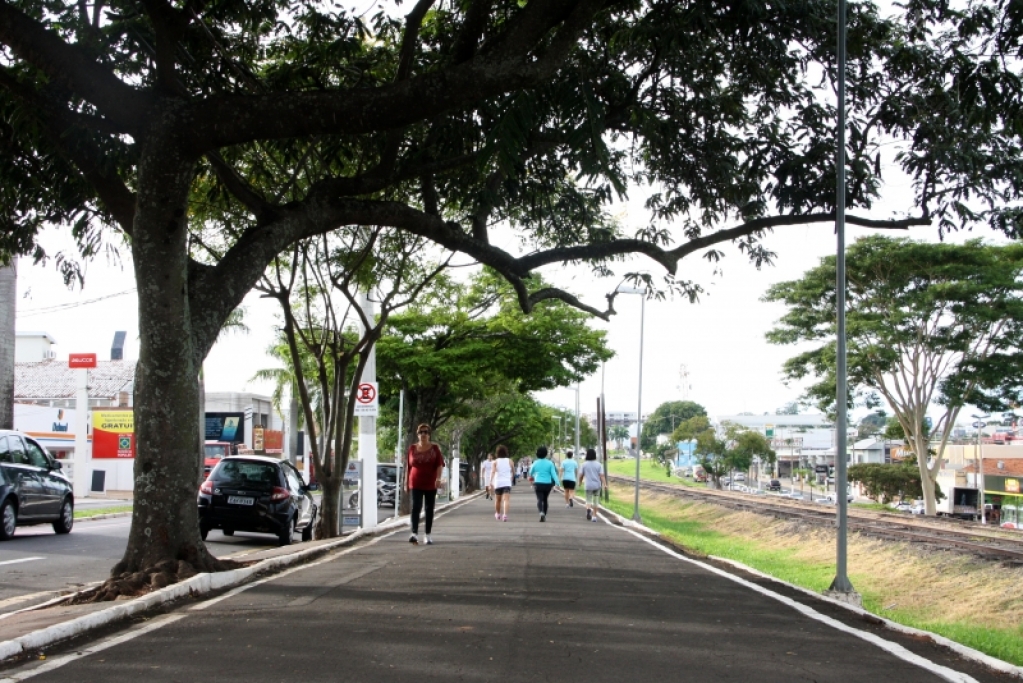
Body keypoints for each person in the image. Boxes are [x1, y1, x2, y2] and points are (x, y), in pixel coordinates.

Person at [406, 423, 444, 545]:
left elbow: (439, 465)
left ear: (429, 434)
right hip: (415, 482)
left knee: (429, 508)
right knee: (416, 507)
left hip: (430, 483)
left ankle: (427, 534)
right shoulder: (412, 448)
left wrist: (438, 479)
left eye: (426, 432)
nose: (423, 434)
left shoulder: (435, 448)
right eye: (421, 432)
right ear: (417, 435)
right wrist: (406, 483)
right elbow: (408, 466)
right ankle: (414, 533)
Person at [528, 446, 561, 522]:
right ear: (546, 454)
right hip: (547, 484)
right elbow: (553, 474)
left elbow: (531, 473)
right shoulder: (550, 463)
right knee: (545, 499)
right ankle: (544, 514)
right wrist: (558, 483)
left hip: (538, 483)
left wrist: (532, 476)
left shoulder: (535, 463)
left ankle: (541, 513)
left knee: (539, 499)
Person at [578, 448, 606, 522]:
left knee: (588, 500)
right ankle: (594, 516)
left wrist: (580, 482)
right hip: (597, 485)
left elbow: (581, 475)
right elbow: (602, 476)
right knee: (596, 501)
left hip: (588, 485)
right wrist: (605, 484)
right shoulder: (599, 465)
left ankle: (588, 510)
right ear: (595, 455)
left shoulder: (584, 464)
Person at [489, 445, 514, 521]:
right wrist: (511, 479)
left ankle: (498, 514)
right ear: (506, 452)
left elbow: (493, 472)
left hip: (498, 483)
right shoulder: (510, 461)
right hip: (507, 483)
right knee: (506, 500)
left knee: (498, 500)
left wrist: (490, 482)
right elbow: (513, 472)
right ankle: (505, 515)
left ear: (497, 453)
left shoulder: (495, 462)